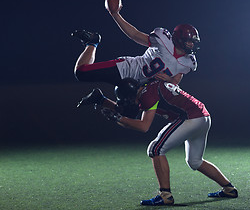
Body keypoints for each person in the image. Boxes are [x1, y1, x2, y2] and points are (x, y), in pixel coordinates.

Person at [77, 78, 238, 206]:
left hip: (190, 118)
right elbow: (131, 111)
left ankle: (165, 195)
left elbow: (143, 126)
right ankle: (229, 188)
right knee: (194, 161)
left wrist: (119, 118)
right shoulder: (148, 87)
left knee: (155, 149)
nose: (128, 102)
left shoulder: (147, 95)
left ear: (133, 94)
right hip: (203, 116)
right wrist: (104, 102)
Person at [72, 0, 199, 86]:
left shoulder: (189, 63)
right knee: (81, 73)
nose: (191, 44)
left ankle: (99, 100)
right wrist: (116, 15)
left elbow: (177, 77)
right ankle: (92, 42)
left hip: (138, 86)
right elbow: (135, 35)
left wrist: (170, 81)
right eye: (189, 41)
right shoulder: (163, 40)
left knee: (130, 113)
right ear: (178, 39)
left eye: (193, 42)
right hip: (125, 70)